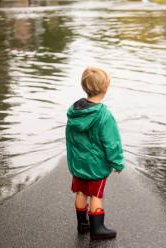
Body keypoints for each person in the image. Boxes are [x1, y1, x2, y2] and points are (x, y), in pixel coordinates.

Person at [65, 66, 125, 240]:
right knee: (96, 195)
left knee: (81, 192)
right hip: (95, 166)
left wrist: (73, 158)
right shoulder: (104, 116)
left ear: (85, 86)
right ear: (105, 89)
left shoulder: (74, 112)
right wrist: (117, 162)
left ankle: (82, 224)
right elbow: (111, 142)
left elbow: (70, 138)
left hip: (78, 163)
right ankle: (97, 229)